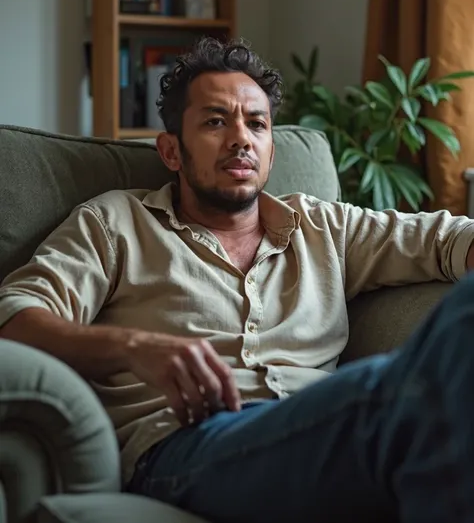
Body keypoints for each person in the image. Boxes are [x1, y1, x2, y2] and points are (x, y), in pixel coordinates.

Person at [1, 37, 474, 523]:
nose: (240, 138)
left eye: (257, 123)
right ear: (170, 151)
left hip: (324, 432)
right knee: (401, 396)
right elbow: (14, 318)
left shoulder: (321, 226)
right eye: (214, 121)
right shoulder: (116, 223)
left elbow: (448, 241)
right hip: (186, 448)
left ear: (270, 148)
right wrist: (131, 346)